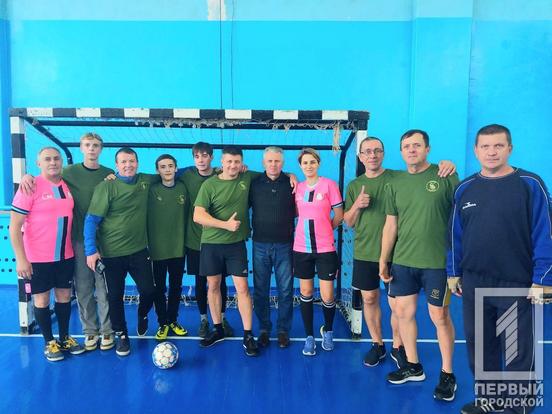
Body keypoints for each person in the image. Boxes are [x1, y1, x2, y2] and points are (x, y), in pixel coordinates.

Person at [447, 124, 552, 414]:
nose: (491, 152)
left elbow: (545, 233)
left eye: (498, 146)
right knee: (481, 347)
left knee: (517, 349)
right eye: (485, 146)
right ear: (476, 151)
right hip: (474, 281)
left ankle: (518, 407)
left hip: (516, 282)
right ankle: (489, 399)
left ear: (510, 149)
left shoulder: (530, 184)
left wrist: (543, 278)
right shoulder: (465, 188)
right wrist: (453, 272)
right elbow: (455, 235)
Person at [344, 136, 457, 368]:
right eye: (367, 151)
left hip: (397, 254)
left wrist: (448, 164)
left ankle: (398, 346)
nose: (372, 155)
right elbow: (348, 221)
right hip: (365, 252)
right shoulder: (355, 185)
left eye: (377, 151)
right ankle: (377, 344)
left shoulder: (398, 177)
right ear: (360, 156)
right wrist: (357, 205)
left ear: (384, 154)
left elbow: (420, 176)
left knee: (399, 307)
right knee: (369, 299)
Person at [379, 129, 458, 401]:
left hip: (437, 263)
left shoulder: (445, 175)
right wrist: (384, 259)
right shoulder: (395, 183)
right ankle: (413, 366)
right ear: (401, 152)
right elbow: (391, 225)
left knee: (439, 317)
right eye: (406, 146)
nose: (411, 150)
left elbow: (461, 219)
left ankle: (448, 374)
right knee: (403, 313)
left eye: (416, 145)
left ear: (427, 149)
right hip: (403, 261)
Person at [18, 133, 115, 352]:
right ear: (81, 148)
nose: (92, 149)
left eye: (96, 145)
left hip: (106, 241)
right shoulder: (68, 172)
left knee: (104, 288)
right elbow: (46, 175)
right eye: (88, 145)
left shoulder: (109, 174)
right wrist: (27, 176)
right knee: (83, 288)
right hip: (78, 241)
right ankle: (90, 331)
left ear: (101, 149)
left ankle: (107, 331)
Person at [84, 147, 168, 356]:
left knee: (149, 291)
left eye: (131, 161)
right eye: (123, 162)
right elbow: (91, 220)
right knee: (115, 296)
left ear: (137, 163)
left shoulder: (145, 180)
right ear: (117, 165)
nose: (128, 165)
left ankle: (142, 314)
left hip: (139, 251)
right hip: (111, 254)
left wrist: (214, 170)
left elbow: (171, 172)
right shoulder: (106, 186)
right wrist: (90, 250)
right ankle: (121, 334)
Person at [10, 147, 85, 361]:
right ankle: (49, 342)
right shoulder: (30, 186)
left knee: (64, 297)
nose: (52, 162)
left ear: (61, 162)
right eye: (47, 159)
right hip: (38, 258)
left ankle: (64, 338)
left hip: (65, 255)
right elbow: (14, 227)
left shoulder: (67, 185)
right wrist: (21, 259)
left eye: (56, 158)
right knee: (42, 299)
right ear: (39, 163)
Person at [193, 146, 259, 356]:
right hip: (211, 244)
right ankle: (218, 329)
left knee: (243, 288)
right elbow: (198, 216)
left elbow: (272, 173)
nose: (233, 165)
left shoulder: (246, 177)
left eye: (237, 162)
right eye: (229, 161)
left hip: (236, 245)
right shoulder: (209, 185)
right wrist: (225, 225)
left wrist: (291, 175)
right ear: (221, 162)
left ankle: (248, 334)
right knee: (213, 285)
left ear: (241, 163)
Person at [178, 142, 233, 338]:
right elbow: (162, 174)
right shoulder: (185, 174)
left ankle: (222, 318)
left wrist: (289, 175)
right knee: (201, 282)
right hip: (195, 241)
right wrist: (115, 175)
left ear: (212, 157)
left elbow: (250, 174)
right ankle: (203, 320)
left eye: (204, 156)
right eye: (197, 156)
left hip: (218, 240)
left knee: (220, 282)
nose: (201, 160)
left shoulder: (221, 174)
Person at [294, 147, 343, 356]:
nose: (309, 166)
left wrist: (325, 228)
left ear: (318, 164)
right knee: (305, 292)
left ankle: (328, 331)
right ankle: (309, 336)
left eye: (312, 162)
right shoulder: (297, 187)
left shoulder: (329, 185)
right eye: (305, 163)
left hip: (325, 249)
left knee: (327, 294)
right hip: (301, 248)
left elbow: (339, 214)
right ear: (300, 166)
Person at [249, 146, 296, 348]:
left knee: (285, 290)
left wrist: (292, 175)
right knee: (261, 290)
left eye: (277, 161)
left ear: (282, 163)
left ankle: (283, 330)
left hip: (285, 245)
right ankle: (264, 329)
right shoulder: (254, 183)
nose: (273, 164)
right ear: (263, 163)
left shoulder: (292, 183)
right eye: (270, 161)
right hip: (260, 244)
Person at [146, 154, 189, 340]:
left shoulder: (183, 188)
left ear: (176, 168)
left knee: (176, 287)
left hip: (178, 248)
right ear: (157, 170)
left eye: (171, 166)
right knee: (159, 288)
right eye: (163, 167)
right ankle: (162, 323)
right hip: (157, 249)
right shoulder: (151, 189)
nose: (167, 169)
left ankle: (173, 320)